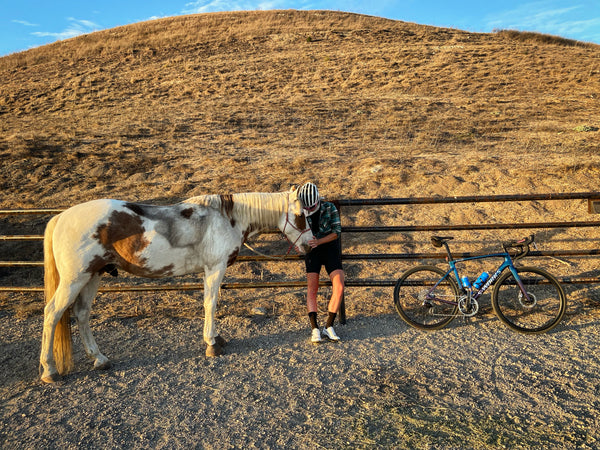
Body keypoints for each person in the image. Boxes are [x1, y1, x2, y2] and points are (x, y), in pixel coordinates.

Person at [297, 182, 345, 344]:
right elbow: (292, 232)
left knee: (339, 286)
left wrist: (319, 241)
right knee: (312, 289)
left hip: (329, 249)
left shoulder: (330, 208)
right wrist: (298, 246)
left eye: (312, 207)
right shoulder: (300, 212)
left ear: (318, 200)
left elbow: (336, 232)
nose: (309, 210)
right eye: (307, 208)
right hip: (312, 252)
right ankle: (314, 328)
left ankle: (329, 325)